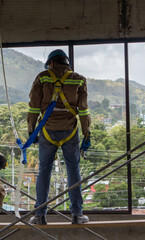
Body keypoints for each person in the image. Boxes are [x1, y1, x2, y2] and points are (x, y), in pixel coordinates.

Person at [27, 49, 91, 225]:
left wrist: (31, 130)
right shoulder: (79, 79)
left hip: (47, 130)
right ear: (66, 63)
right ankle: (77, 214)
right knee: (73, 170)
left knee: (44, 171)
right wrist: (86, 132)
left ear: (52, 63)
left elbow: (33, 107)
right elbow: (84, 110)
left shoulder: (42, 77)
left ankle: (40, 215)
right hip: (70, 130)